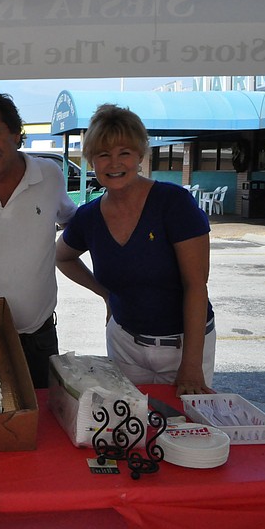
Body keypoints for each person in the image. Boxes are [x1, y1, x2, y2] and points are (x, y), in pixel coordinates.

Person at [56, 104, 215, 396]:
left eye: (124, 153)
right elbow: (62, 256)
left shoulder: (173, 203)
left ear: (140, 155)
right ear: (91, 161)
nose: (114, 163)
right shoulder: (88, 217)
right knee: (130, 429)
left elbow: (196, 286)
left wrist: (191, 365)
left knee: (184, 429)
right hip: (124, 344)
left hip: (184, 346)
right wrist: (106, 295)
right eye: (103, 154)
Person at [0, 90, 77, 389]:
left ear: (17, 134)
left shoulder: (49, 174)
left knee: (42, 422)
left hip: (40, 336)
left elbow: (73, 220)